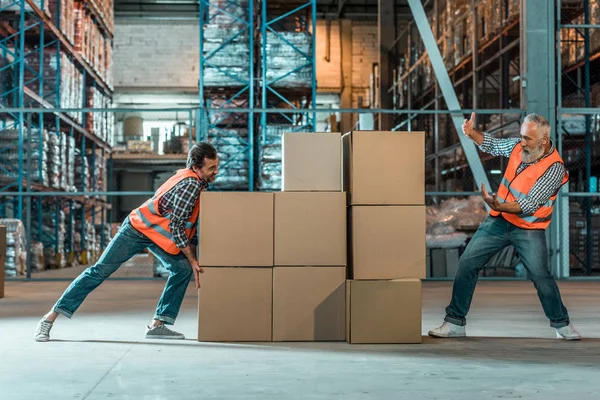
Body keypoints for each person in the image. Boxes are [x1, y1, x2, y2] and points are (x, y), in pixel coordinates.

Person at [34, 142, 219, 342]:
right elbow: (176, 226)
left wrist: (191, 257)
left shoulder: (194, 181)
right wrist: (193, 260)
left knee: (180, 270)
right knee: (99, 271)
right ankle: (49, 318)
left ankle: (158, 325)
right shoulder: (190, 184)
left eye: (216, 166)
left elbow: (189, 225)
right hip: (136, 229)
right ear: (196, 168)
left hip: (156, 236)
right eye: (211, 168)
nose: (216, 172)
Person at [428, 113, 581, 340]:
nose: (522, 142)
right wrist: (472, 134)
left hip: (528, 228)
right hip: (498, 221)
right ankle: (455, 323)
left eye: (528, 139)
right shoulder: (519, 146)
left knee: (540, 276)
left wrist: (500, 204)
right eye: (521, 137)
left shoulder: (554, 169)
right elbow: (494, 144)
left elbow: (529, 204)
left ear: (544, 141)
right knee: (467, 264)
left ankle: (562, 324)